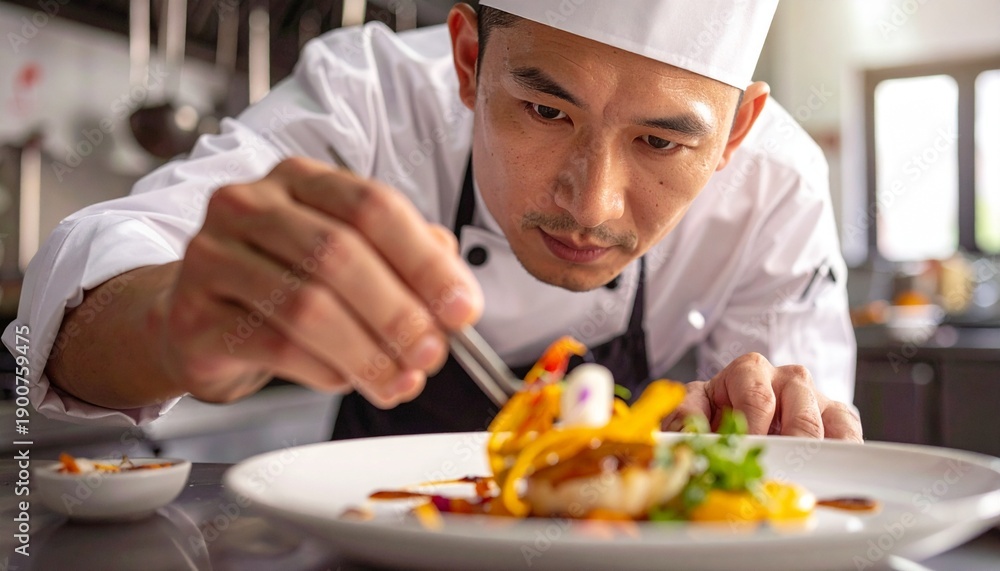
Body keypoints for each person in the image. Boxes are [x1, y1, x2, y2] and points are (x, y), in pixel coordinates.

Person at [4, 0, 862, 441]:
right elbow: (96, 274)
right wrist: (174, 324)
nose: (591, 204)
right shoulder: (371, 100)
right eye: (545, 111)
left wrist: (761, 430)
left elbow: (794, 447)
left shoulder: (776, 193)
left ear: (735, 134)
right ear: (468, 58)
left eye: (661, 143)